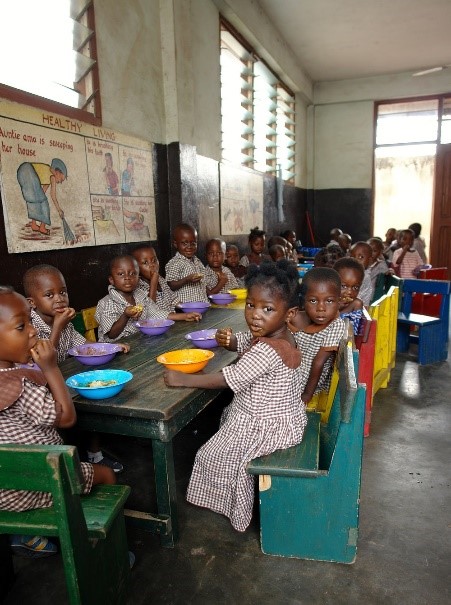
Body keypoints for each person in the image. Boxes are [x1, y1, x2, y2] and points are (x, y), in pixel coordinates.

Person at [164, 260, 306, 532]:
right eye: (250, 305)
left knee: (210, 455)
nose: (255, 315)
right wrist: (231, 342)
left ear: (289, 314)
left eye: (267, 309)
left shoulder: (268, 350)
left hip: (266, 426)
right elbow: (251, 343)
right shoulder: (279, 336)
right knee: (221, 433)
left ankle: (235, 507)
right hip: (281, 417)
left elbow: (228, 379)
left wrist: (183, 379)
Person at [0, 286, 115, 557]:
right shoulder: (20, 384)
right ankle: (101, 551)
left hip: (4, 487)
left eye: (30, 320)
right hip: (36, 483)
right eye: (21, 326)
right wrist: (50, 368)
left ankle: (28, 534)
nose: (32, 331)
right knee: (107, 474)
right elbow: (66, 417)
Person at [22, 264, 128, 473]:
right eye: (49, 295)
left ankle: (95, 455)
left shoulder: (64, 321)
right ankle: (67, 467)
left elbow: (82, 347)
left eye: (62, 292)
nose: (59, 298)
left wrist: (111, 347)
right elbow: (42, 362)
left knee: (97, 394)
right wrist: (57, 327)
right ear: (32, 302)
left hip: (65, 381)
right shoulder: (29, 328)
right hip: (42, 391)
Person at [286, 268, 346, 405]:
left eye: (329, 301)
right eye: (313, 301)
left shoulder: (336, 325)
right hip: (291, 375)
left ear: (339, 301)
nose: (321, 308)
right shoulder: (297, 316)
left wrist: (306, 396)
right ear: (303, 301)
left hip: (306, 384)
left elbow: (319, 362)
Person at [95, 254, 163, 342]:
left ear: (138, 279)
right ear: (111, 280)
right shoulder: (106, 303)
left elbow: (157, 314)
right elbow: (111, 335)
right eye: (121, 274)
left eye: (133, 273)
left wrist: (183, 316)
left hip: (139, 343)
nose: (127, 278)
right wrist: (125, 316)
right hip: (116, 348)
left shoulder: (142, 297)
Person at [131, 245, 201, 322]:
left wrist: (190, 309)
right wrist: (153, 282)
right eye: (145, 262)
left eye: (154, 260)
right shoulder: (138, 287)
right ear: (135, 268)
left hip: (171, 322)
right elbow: (150, 311)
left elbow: (172, 299)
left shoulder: (160, 279)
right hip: (155, 325)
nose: (152, 265)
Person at [16, 158, 68, 236]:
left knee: (37, 200)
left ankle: (34, 225)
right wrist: (59, 210)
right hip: (27, 170)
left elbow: (41, 194)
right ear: (57, 172)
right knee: (43, 204)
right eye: (61, 179)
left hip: (22, 171)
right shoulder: (52, 177)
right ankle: (42, 227)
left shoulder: (48, 174)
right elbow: (53, 195)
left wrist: (40, 200)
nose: (60, 182)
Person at [165, 223, 209, 303]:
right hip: (185, 307)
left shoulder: (197, 261)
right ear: (175, 244)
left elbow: (204, 282)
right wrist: (186, 280)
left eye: (193, 243)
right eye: (184, 243)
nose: (189, 246)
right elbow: (170, 285)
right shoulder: (175, 263)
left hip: (201, 303)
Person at [333, 257, 365, 335]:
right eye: (343, 286)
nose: (349, 292)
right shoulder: (324, 299)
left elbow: (353, 334)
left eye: (355, 287)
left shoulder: (356, 304)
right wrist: (335, 308)